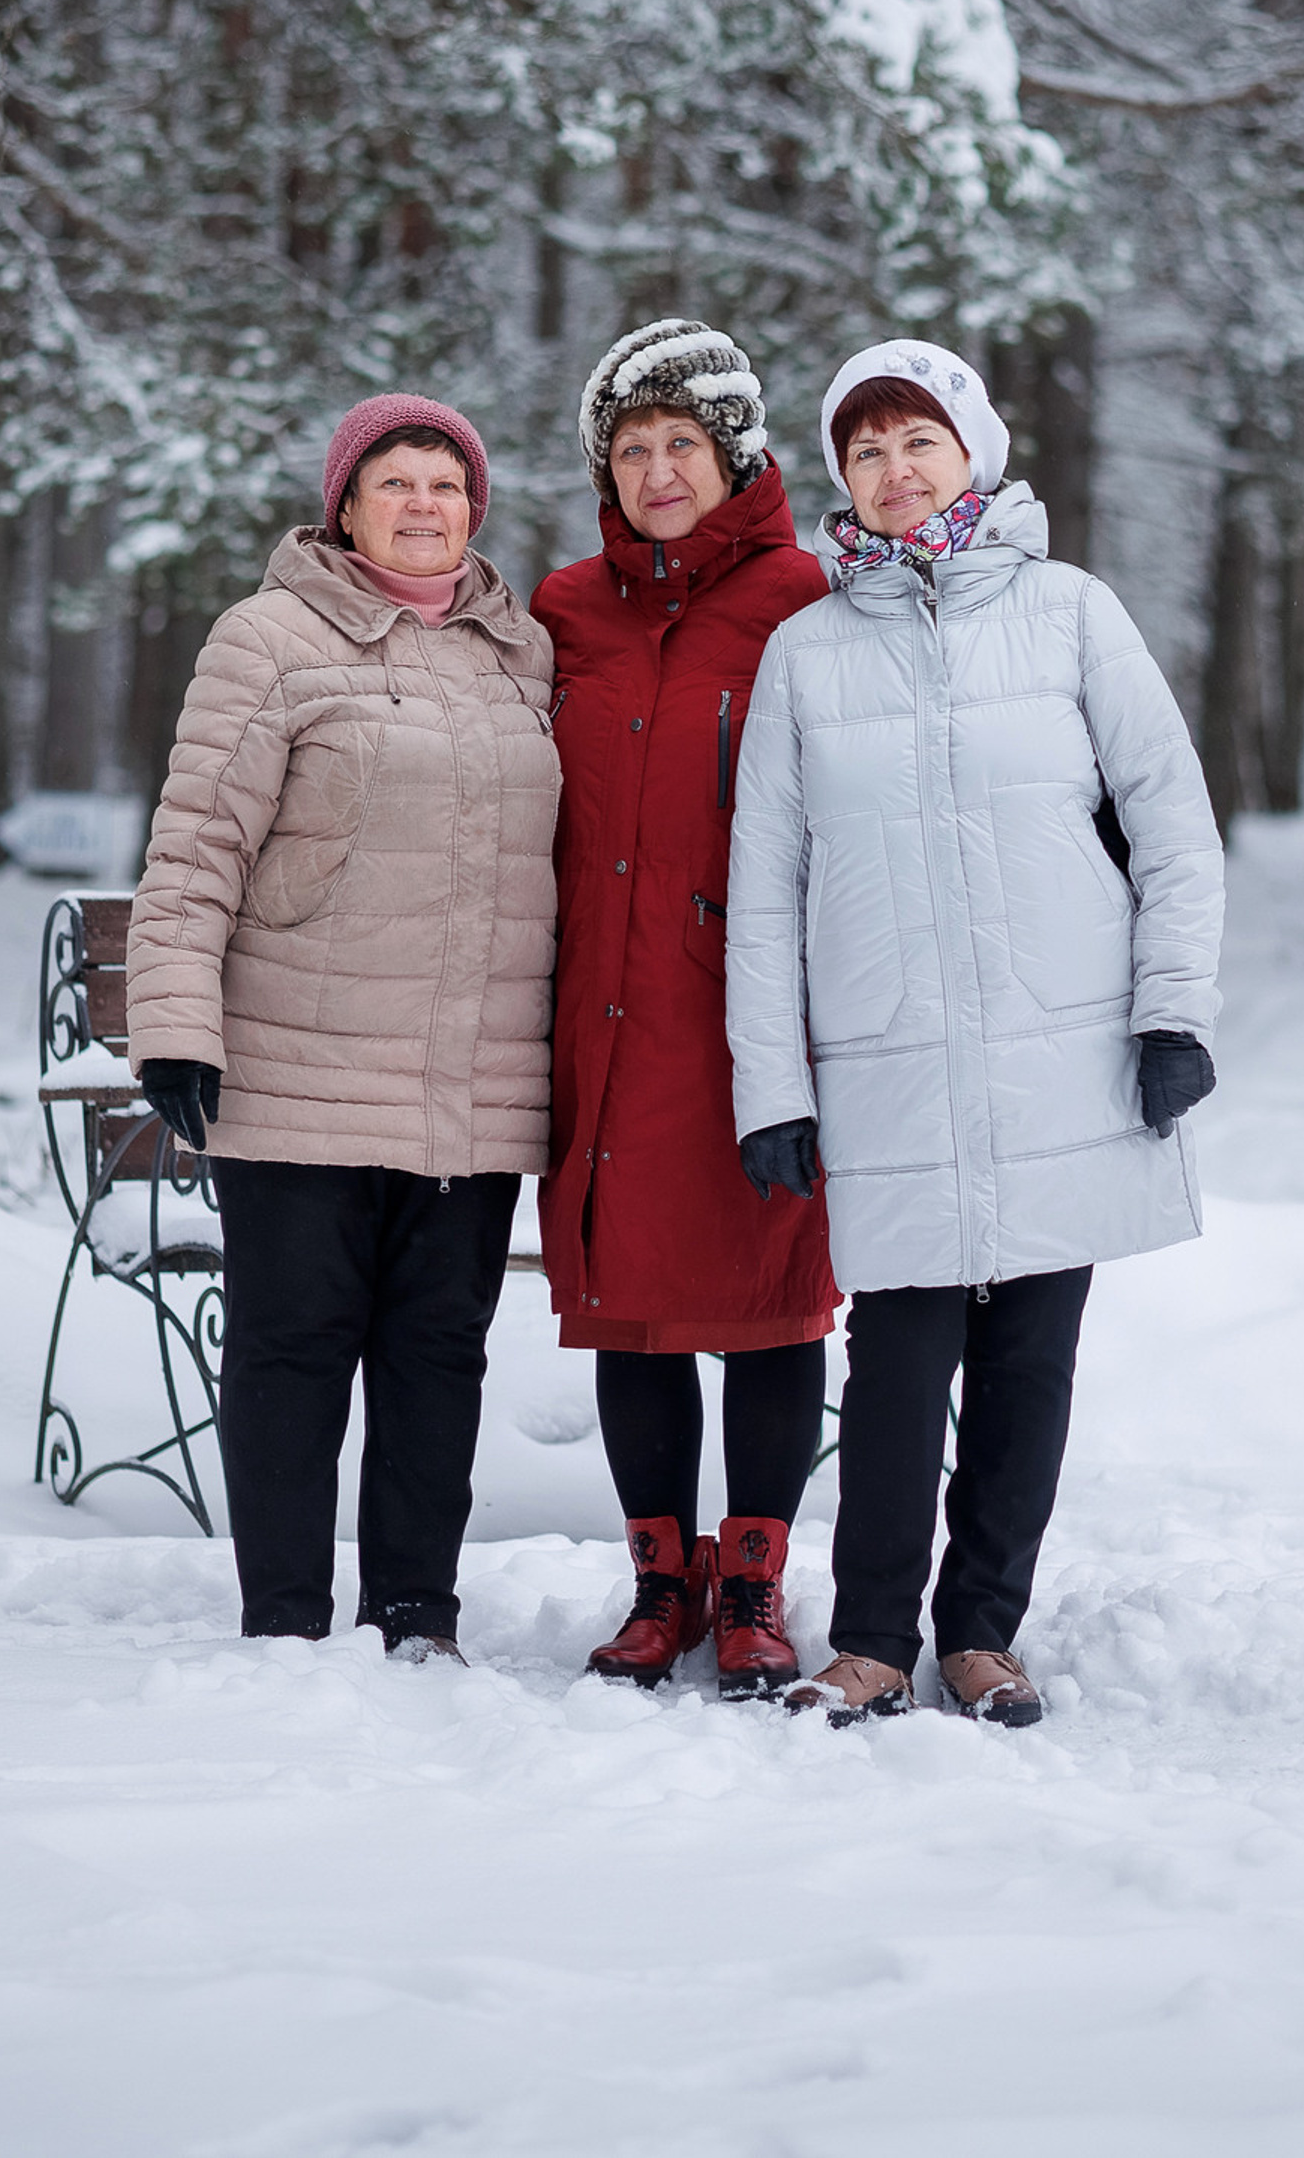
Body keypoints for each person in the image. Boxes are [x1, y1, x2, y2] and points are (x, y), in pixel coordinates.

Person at [726, 340, 1224, 1727]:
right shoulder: (805, 652)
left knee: (1028, 1368)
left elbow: (1172, 821)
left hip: (1058, 1051)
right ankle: (872, 1640)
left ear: (974, 452)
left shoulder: (1071, 615)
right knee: (895, 1369)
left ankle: (982, 1636)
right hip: (885, 1063)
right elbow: (765, 889)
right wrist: (771, 1087)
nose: (895, 471)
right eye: (866, 451)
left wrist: (1173, 1011)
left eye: (918, 442)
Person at [125, 395, 561, 1659]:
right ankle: (285, 1621)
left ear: (474, 507)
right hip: (298, 1069)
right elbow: (198, 842)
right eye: (395, 482)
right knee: (292, 1350)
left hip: (470, 1085)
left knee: (438, 1354)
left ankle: (417, 1615)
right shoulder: (268, 638)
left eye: (446, 483)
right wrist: (174, 1024)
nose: (423, 504)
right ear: (345, 507)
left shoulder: (522, 652)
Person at [532, 319, 840, 1697]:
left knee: (773, 1297)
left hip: (755, 1018)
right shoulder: (565, 610)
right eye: (630, 449)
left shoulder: (808, 600)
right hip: (601, 1010)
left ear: (735, 452)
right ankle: (664, 1579)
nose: (657, 471)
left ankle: (757, 1578)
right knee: (631, 1304)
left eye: (681, 443)